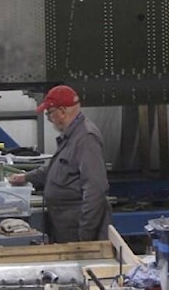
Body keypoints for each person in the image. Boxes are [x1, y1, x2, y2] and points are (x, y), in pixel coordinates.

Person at [7, 84, 110, 243]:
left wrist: (85, 234)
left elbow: (95, 188)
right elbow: (56, 168)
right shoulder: (71, 136)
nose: (49, 119)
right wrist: (26, 177)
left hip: (77, 231)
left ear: (62, 111)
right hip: (66, 226)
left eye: (50, 114)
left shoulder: (85, 138)